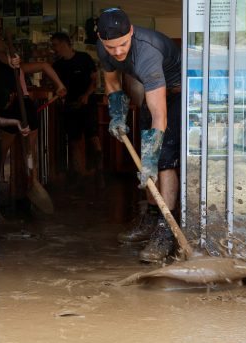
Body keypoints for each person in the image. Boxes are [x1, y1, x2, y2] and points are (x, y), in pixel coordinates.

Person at [96, 8, 182, 262]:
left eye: (123, 45)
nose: (118, 52)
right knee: (145, 158)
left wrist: (152, 159)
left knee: (162, 159)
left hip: (178, 94)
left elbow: (160, 116)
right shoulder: (104, 48)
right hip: (153, 93)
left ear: (131, 32)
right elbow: (112, 83)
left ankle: (166, 229)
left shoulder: (147, 52)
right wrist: (117, 114)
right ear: (102, 40)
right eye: (112, 47)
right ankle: (152, 218)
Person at [0, 35, 67, 210]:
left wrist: (60, 85)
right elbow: (44, 65)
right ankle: (7, 182)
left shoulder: (12, 62)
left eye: (3, 40)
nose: (2, 42)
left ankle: (28, 182)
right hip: (13, 106)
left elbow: (44, 65)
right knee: (11, 150)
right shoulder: (1, 62)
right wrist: (60, 85)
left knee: (23, 150)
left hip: (22, 105)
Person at [50, 32, 104, 188]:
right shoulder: (57, 66)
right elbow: (57, 88)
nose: (53, 49)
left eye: (55, 44)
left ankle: (99, 173)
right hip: (70, 106)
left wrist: (86, 95)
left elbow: (95, 80)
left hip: (87, 104)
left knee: (92, 137)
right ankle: (79, 175)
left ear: (64, 43)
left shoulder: (84, 58)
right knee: (74, 140)